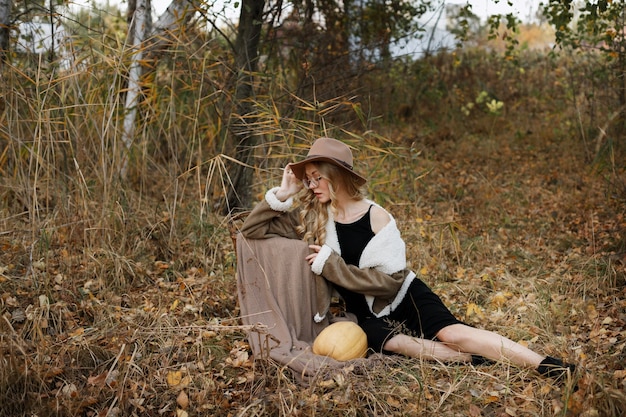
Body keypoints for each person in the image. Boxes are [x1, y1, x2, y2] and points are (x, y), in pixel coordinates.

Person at [241, 137, 576, 382]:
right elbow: (252, 232)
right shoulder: (315, 216)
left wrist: (334, 267)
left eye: (318, 177)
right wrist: (282, 195)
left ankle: (544, 364)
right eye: (308, 178)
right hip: (362, 314)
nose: (312, 185)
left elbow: (390, 282)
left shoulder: (376, 217)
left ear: (337, 175)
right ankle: (482, 359)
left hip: (405, 296)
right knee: (402, 344)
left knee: (451, 334)